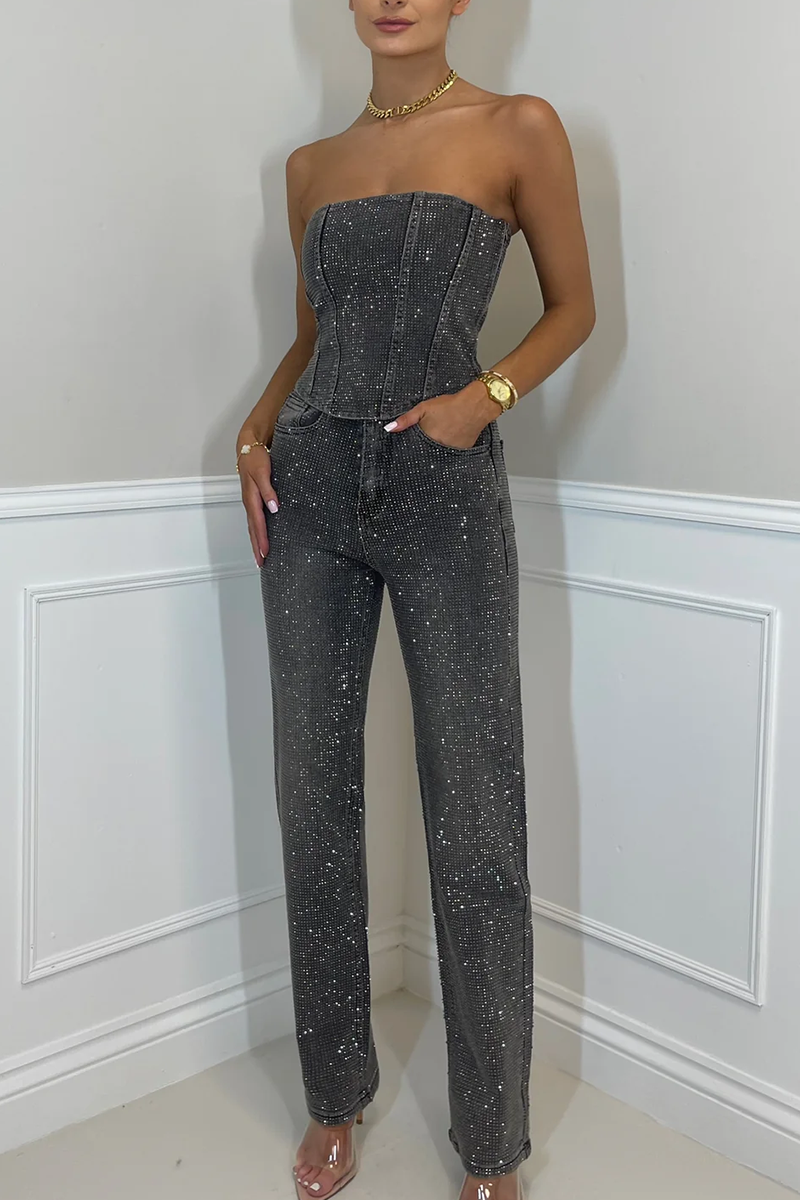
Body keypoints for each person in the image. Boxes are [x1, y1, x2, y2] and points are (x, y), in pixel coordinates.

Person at [236, 2, 595, 1197]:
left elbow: (573, 307)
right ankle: (334, 1094)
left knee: (475, 813)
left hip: (442, 486)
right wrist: (252, 430)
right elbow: (312, 335)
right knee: (311, 799)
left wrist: (478, 401)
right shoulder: (308, 167)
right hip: (309, 486)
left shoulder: (517, 126)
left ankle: (490, 1144)